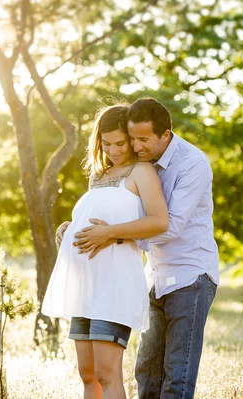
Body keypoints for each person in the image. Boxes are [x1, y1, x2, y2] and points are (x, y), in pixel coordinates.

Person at [73, 97, 220, 399]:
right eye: (132, 139)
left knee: (176, 377)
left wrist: (111, 235)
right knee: (147, 375)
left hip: (190, 276)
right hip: (154, 277)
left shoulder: (192, 164)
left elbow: (170, 225)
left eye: (142, 139)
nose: (135, 146)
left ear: (165, 135)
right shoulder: (141, 164)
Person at [41, 104, 169, 399]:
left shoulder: (142, 171)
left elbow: (159, 221)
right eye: (106, 144)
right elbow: (96, 217)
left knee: (106, 373)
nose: (114, 150)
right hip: (86, 288)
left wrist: (109, 234)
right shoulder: (99, 176)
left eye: (120, 143)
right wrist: (70, 227)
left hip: (115, 285)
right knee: (87, 374)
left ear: (131, 138)